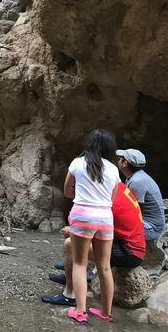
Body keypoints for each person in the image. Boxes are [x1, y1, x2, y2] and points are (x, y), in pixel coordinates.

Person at [42, 181, 146, 306]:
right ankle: (73, 277)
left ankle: (69, 295)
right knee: (80, 240)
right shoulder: (118, 188)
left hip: (128, 252)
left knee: (70, 244)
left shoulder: (107, 199)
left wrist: (73, 230)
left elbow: (96, 229)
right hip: (129, 245)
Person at [62, 129, 121, 324]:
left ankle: (80, 311)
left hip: (83, 215)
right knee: (104, 267)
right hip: (105, 217)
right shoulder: (113, 169)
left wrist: (81, 195)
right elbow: (112, 199)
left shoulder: (78, 163)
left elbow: (67, 191)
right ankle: (106, 313)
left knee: (80, 263)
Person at [116, 148, 165, 242]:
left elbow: (130, 210)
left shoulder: (137, 182)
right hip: (149, 224)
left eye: (120, 158)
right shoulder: (134, 178)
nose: (118, 160)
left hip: (151, 228)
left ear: (124, 163)